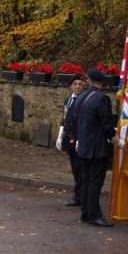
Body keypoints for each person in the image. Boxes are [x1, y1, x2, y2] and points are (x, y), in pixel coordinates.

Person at [75, 68, 125, 227]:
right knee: (95, 182)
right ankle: (94, 216)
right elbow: (106, 125)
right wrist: (117, 141)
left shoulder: (81, 96)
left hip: (83, 146)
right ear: (102, 82)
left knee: (86, 180)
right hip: (97, 148)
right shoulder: (102, 99)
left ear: (88, 80)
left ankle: (85, 213)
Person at [56, 74, 86, 207]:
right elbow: (65, 118)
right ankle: (79, 194)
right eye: (75, 84)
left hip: (81, 138)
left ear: (84, 85)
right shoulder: (68, 100)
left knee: (81, 168)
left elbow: (85, 121)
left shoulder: (85, 100)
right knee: (74, 167)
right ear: (71, 86)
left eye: (80, 84)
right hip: (70, 138)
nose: (78, 86)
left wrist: (80, 138)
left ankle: (80, 196)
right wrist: (60, 135)